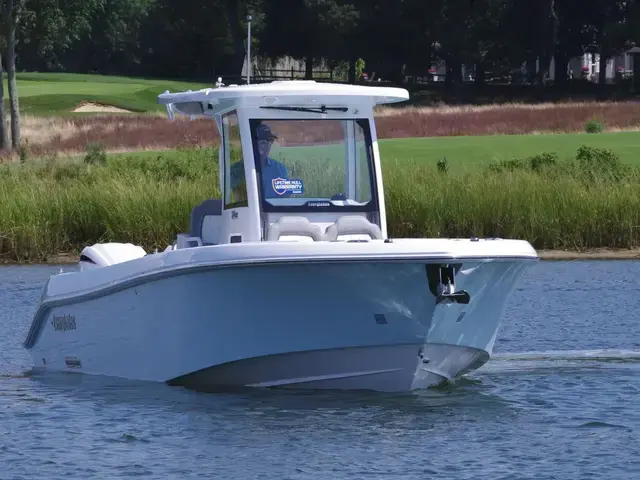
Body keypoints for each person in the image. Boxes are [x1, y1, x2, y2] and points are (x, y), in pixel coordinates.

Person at [229, 123, 291, 200]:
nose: (268, 146)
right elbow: (237, 201)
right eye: (264, 142)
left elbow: (284, 200)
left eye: (271, 141)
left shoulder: (279, 169)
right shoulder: (235, 170)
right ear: (252, 144)